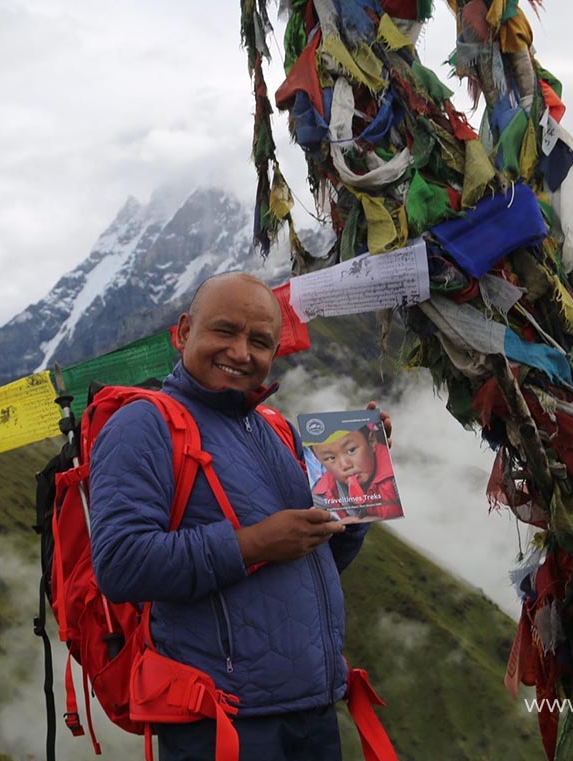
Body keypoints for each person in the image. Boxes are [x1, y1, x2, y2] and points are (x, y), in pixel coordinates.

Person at [90, 271, 386, 761]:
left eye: (260, 341)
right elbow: (119, 565)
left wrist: (356, 492)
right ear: (184, 332)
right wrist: (251, 544)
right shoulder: (143, 425)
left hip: (313, 711)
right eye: (224, 332)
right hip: (222, 723)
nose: (242, 352)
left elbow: (317, 564)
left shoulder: (277, 430)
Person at [306, 421, 402, 521]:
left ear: (372, 441)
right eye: (331, 458)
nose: (345, 465)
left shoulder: (397, 473)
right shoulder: (322, 495)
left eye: (351, 450)